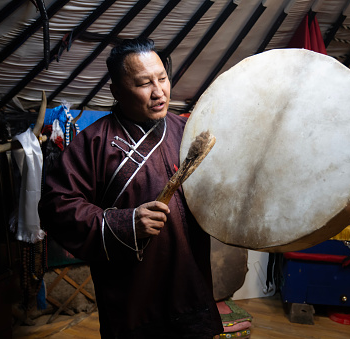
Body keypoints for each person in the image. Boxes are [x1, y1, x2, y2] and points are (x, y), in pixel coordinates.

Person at [39, 38, 223, 339]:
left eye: (162, 79)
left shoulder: (186, 132)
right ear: (117, 90)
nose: (158, 91)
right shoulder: (94, 143)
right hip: (133, 292)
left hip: (190, 282)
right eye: (143, 83)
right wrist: (125, 222)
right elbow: (56, 205)